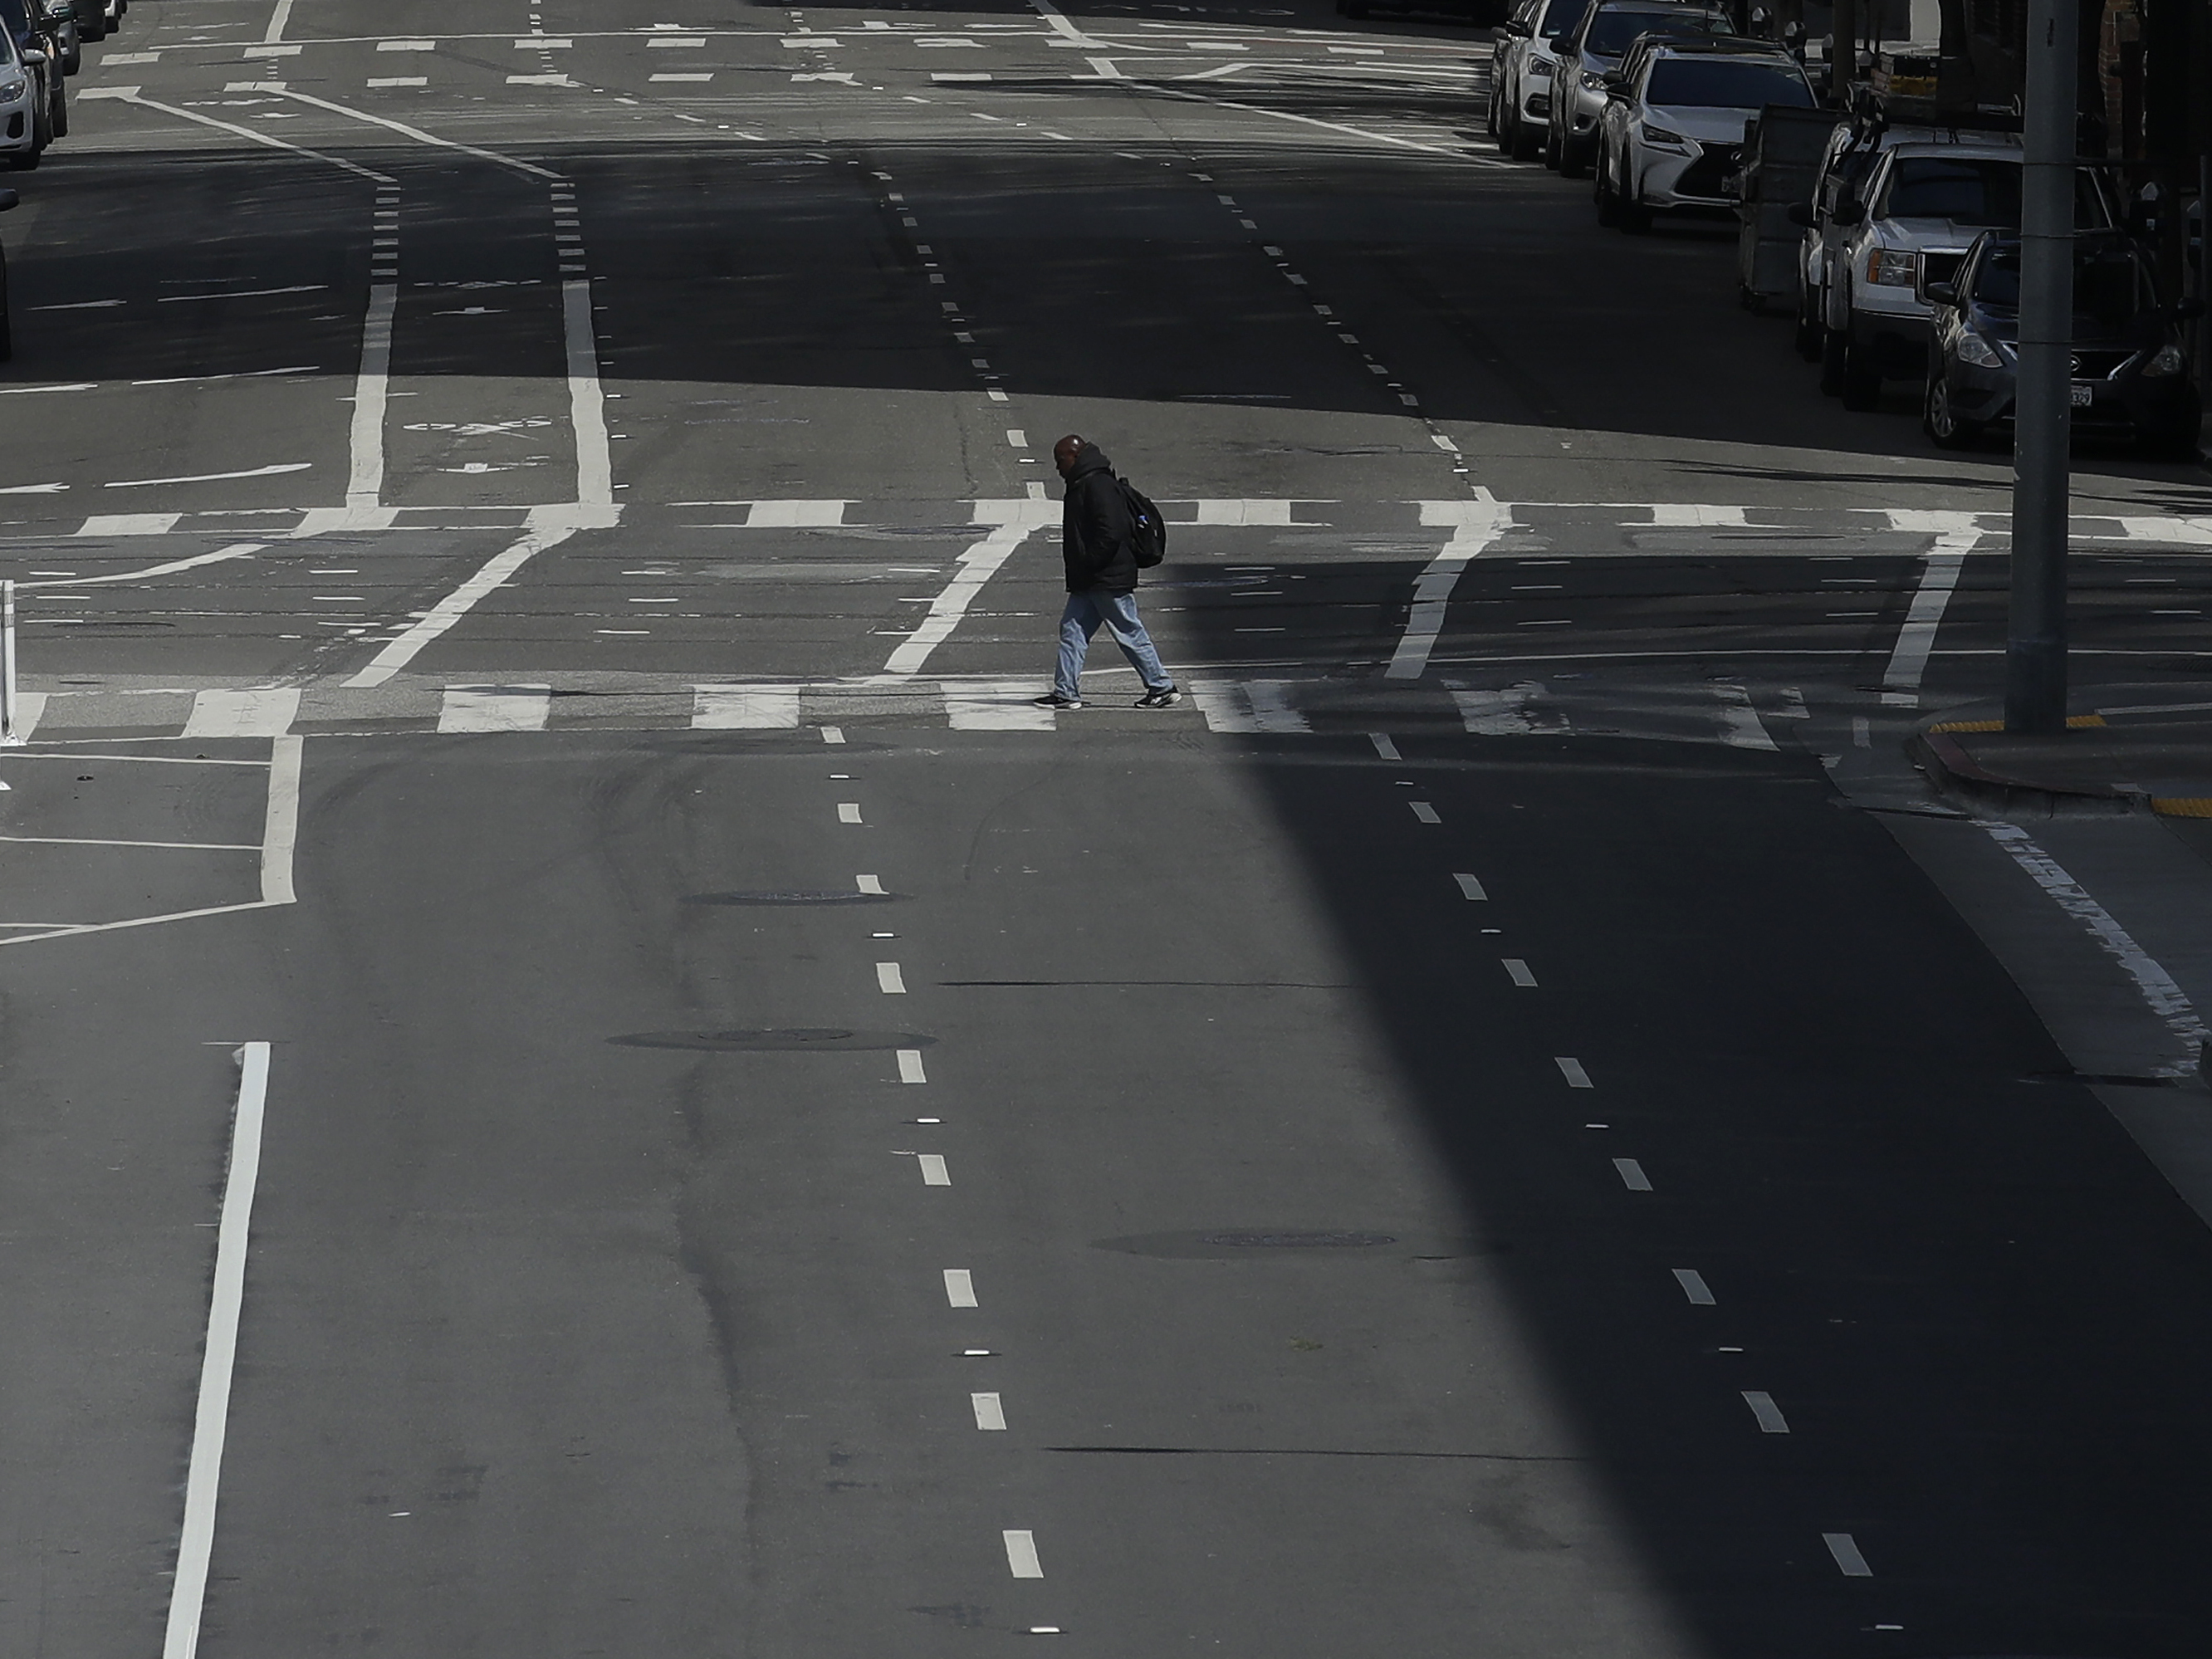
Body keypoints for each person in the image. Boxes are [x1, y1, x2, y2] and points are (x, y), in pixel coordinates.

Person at [1034, 434, 1180, 710]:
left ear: (1074, 456)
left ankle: (1161, 686)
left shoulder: (1098, 484)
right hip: (1092, 577)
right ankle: (1066, 692)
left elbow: (1112, 532)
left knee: (1127, 629)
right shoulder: (1084, 482)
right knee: (1073, 629)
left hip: (1105, 576)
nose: (1057, 468)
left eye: (1060, 460)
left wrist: (1089, 562)